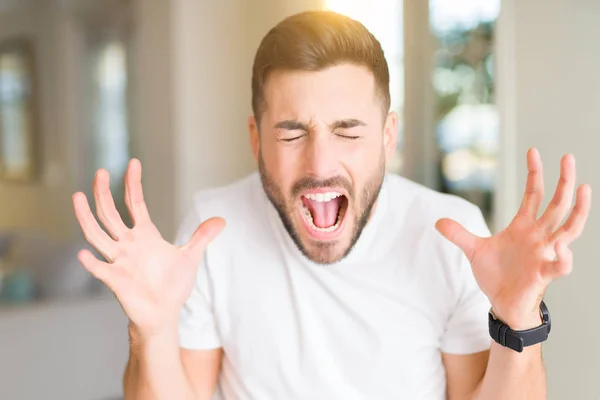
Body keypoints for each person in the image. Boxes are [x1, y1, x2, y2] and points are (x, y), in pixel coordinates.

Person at [72, 10, 591, 400]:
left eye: (348, 131)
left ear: (388, 137)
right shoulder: (213, 231)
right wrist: (153, 332)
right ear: (255, 140)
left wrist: (517, 318)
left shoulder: (453, 236)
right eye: (292, 132)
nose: (320, 164)